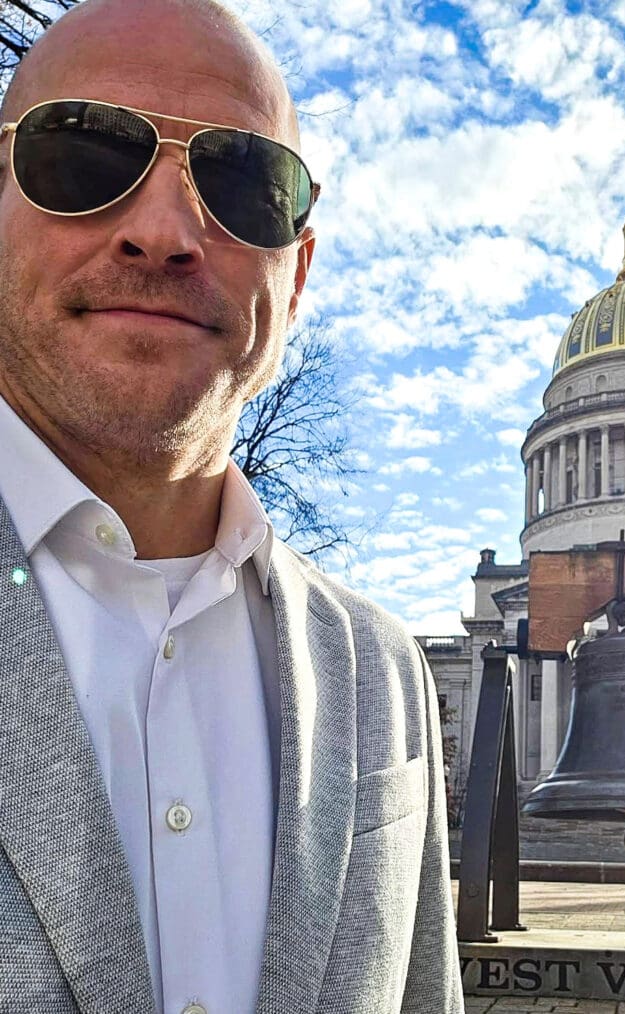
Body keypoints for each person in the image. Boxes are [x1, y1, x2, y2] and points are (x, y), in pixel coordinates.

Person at [0, 0, 463, 1011]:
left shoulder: (382, 674)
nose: (163, 234)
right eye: (81, 156)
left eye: (243, 181)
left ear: (296, 276)